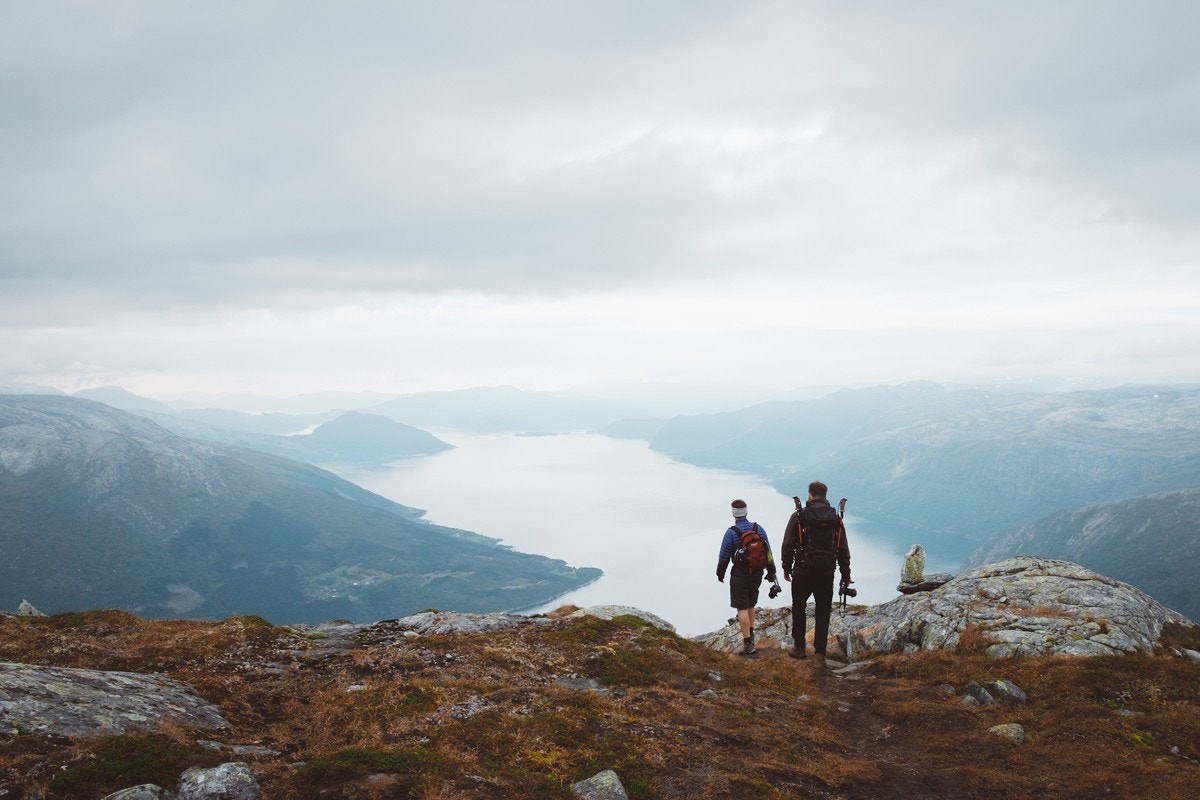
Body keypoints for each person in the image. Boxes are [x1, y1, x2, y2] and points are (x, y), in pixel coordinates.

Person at [780, 481, 851, 668]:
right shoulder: (835, 518)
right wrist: (845, 574)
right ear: (825, 495)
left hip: (802, 571)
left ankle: (799, 648)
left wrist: (786, 568)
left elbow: (788, 544)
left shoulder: (799, 516)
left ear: (810, 495)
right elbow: (842, 548)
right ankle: (820, 655)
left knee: (799, 608)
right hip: (826, 573)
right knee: (823, 612)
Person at [716, 499, 778, 656]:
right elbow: (768, 552)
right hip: (757, 574)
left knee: (742, 608)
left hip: (739, 575)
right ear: (746, 512)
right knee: (751, 604)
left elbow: (724, 556)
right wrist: (771, 571)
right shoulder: (758, 529)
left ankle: (748, 644)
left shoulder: (731, 533)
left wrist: (720, 573)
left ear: (733, 514)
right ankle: (751, 636)